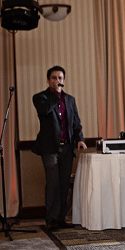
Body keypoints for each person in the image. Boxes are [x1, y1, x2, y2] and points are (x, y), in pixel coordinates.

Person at [33, 66, 86, 230]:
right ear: (48, 80)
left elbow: (76, 123)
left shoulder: (70, 100)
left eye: (60, 78)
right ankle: (51, 219)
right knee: (53, 183)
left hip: (67, 148)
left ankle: (61, 218)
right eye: (54, 78)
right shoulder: (40, 98)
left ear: (64, 80)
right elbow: (45, 110)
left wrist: (80, 139)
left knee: (64, 184)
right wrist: (56, 95)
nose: (57, 81)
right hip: (50, 149)